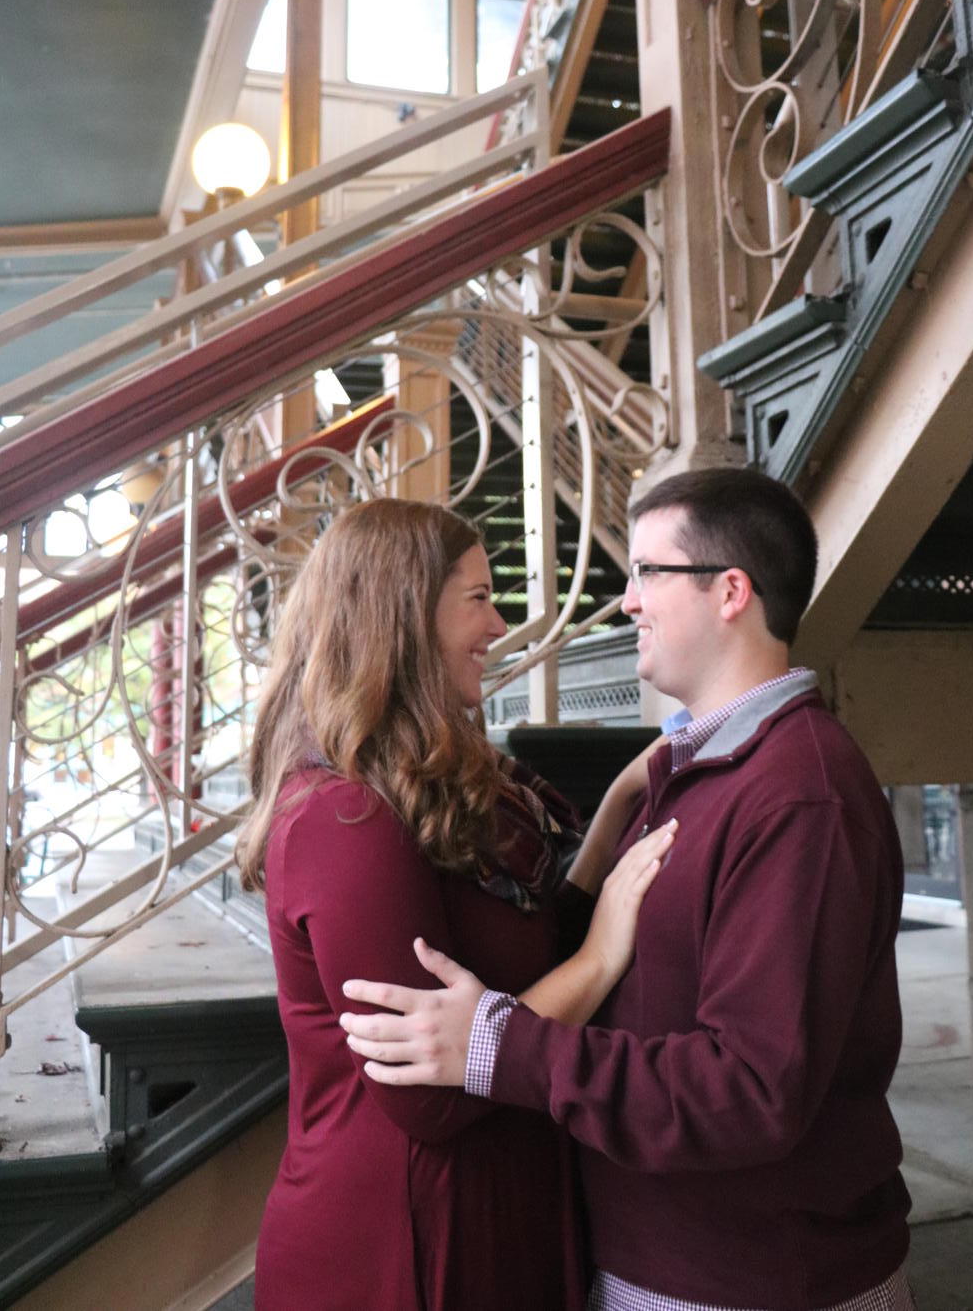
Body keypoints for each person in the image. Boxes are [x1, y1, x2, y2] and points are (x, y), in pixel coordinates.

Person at [339, 468, 916, 1311]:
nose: (627, 602)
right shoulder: (699, 769)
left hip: (757, 1280)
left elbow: (750, 1091)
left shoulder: (800, 793)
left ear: (730, 592)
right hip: (671, 1262)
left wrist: (502, 1046)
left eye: (648, 572)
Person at [236, 497, 676, 1311]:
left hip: (493, 1207)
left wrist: (615, 808)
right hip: (405, 1244)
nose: (500, 624)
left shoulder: (438, 780)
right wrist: (601, 957)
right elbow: (428, 1095)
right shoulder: (345, 818)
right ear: (402, 617)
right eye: (477, 598)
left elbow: (524, 945)